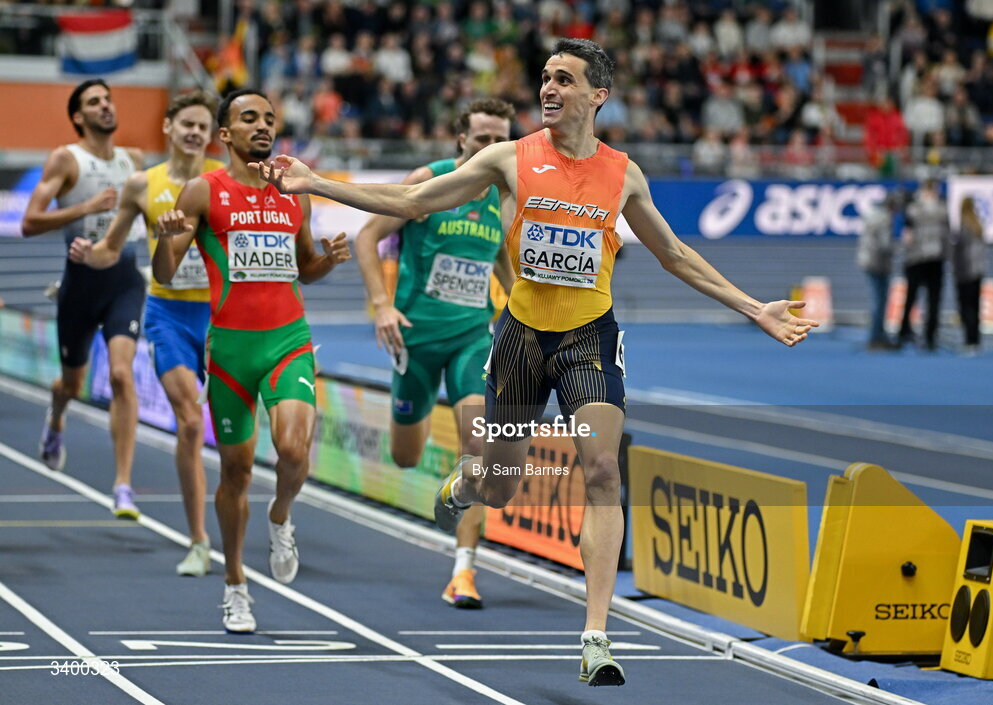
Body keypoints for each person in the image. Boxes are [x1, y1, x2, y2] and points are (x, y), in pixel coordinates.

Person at [249, 38, 818, 686]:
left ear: (597, 95)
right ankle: (464, 483)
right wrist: (316, 181)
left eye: (564, 80)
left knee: (602, 467)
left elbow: (676, 254)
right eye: (545, 78)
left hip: (588, 339)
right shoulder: (509, 159)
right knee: (498, 484)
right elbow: (410, 205)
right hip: (520, 339)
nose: (548, 89)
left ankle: (596, 635)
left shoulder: (623, 174)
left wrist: (755, 308)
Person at [153, 89, 351, 632]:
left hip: (287, 340)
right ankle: (235, 584)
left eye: (269, 118)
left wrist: (326, 262)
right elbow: (166, 276)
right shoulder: (202, 191)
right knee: (235, 472)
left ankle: (281, 514)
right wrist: (167, 242)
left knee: (292, 450)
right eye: (249, 118)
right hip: (232, 352)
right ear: (226, 135)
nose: (263, 126)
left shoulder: (294, 191)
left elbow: (303, 266)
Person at [355, 98, 516, 610]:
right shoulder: (431, 180)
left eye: (500, 140)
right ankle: (426, 440)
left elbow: (503, 265)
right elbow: (367, 235)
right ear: (461, 141)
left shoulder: (506, 193)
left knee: (479, 450)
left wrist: (518, 319)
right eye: (482, 139)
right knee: (405, 455)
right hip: (414, 342)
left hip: (472, 338)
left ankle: (463, 573)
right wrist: (381, 305)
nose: (491, 148)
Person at [69, 90, 222, 576]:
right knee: (192, 424)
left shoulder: (225, 181)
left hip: (223, 317)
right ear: (169, 129)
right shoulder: (143, 185)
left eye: (203, 126)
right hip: (169, 315)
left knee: (239, 442)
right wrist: (87, 257)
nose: (195, 133)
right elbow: (111, 247)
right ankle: (198, 540)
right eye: (187, 124)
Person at [21, 79, 145, 518]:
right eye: (95, 102)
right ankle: (56, 418)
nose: (106, 106)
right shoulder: (66, 158)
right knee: (71, 384)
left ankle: (123, 485)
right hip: (79, 285)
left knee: (120, 376)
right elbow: (29, 222)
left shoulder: (135, 161)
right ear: (78, 116)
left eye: (108, 99)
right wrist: (85, 209)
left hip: (126, 280)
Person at [898, 179, 949, 351]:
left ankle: (914, 333)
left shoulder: (915, 208)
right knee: (919, 298)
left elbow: (907, 233)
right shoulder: (941, 208)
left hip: (922, 259)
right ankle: (924, 336)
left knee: (920, 299)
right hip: (926, 259)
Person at [857, 192, 899, 350]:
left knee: (878, 300)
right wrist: (898, 247)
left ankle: (878, 335)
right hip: (877, 263)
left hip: (869, 261)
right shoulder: (884, 219)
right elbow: (885, 244)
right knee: (879, 301)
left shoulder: (874, 215)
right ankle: (876, 337)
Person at [952, 196, 986, 355]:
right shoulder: (978, 226)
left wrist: (957, 270)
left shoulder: (964, 228)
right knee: (975, 306)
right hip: (978, 271)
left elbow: (960, 253)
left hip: (965, 272)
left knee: (966, 307)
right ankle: (976, 340)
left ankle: (969, 340)